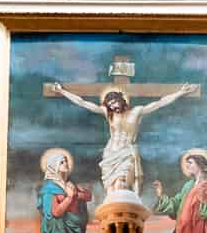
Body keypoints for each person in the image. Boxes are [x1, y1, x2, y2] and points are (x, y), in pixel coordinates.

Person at [47, 79, 198, 195]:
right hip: (111, 154)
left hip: (126, 153)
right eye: (110, 104)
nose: (113, 106)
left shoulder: (137, 111)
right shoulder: (109, 114)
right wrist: (62, 92)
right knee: (111, 190)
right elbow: (83, 103)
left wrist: (181, 92)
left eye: (114, 102)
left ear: (121, 99)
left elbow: (160, 103)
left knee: (121, 184)